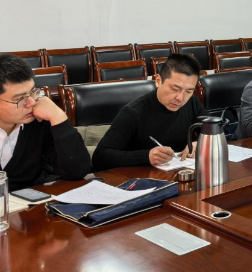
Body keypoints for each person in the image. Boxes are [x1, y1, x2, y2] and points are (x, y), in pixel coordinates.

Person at [92, 53, 207, 170]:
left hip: (181, 173)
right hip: (139, 176)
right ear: (158, 81)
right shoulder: (133, 112)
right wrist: (146, 156)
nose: (180, 98)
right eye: (175, 89)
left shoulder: (192, 103)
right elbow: (99, 157)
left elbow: (213, 131)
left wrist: (201, 143)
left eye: (189, 91)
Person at [0, 54, 90, 191]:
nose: (31, 102)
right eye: (20, 98)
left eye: (33, 92)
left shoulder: (39, 120)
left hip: (30, 201)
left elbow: (76, 171)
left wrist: (58, 117)